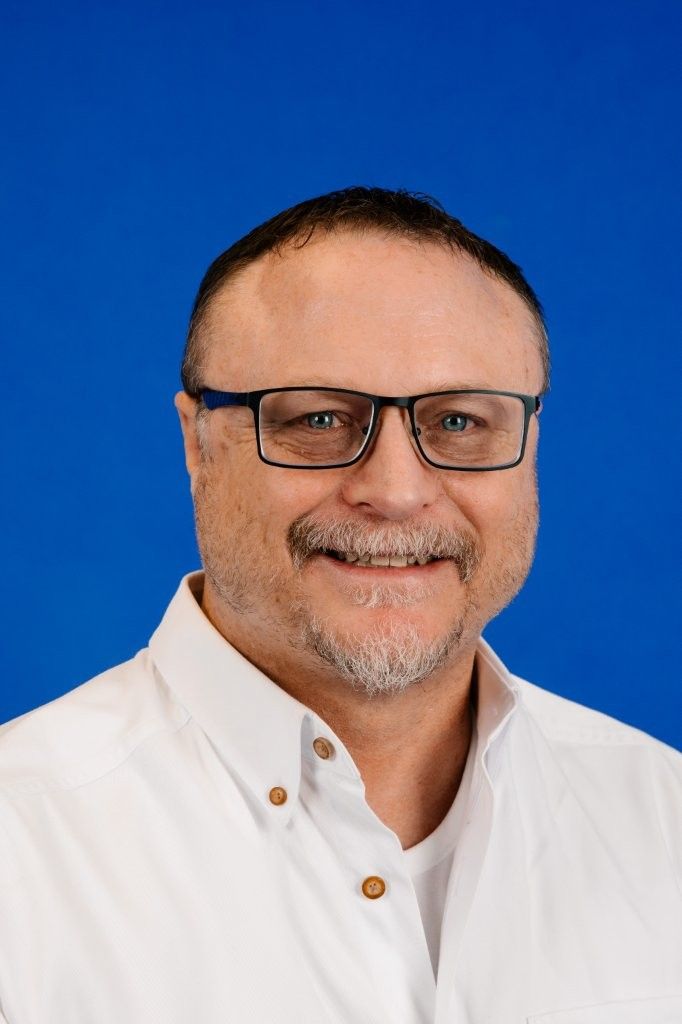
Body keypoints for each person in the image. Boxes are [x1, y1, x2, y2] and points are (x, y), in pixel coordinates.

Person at [0, 187, 680, 1024]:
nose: (395, 491)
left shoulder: (663, 823)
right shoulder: (21, 853)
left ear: (531, 443)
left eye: (459, 422)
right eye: (319, 418)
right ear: (197, 444)